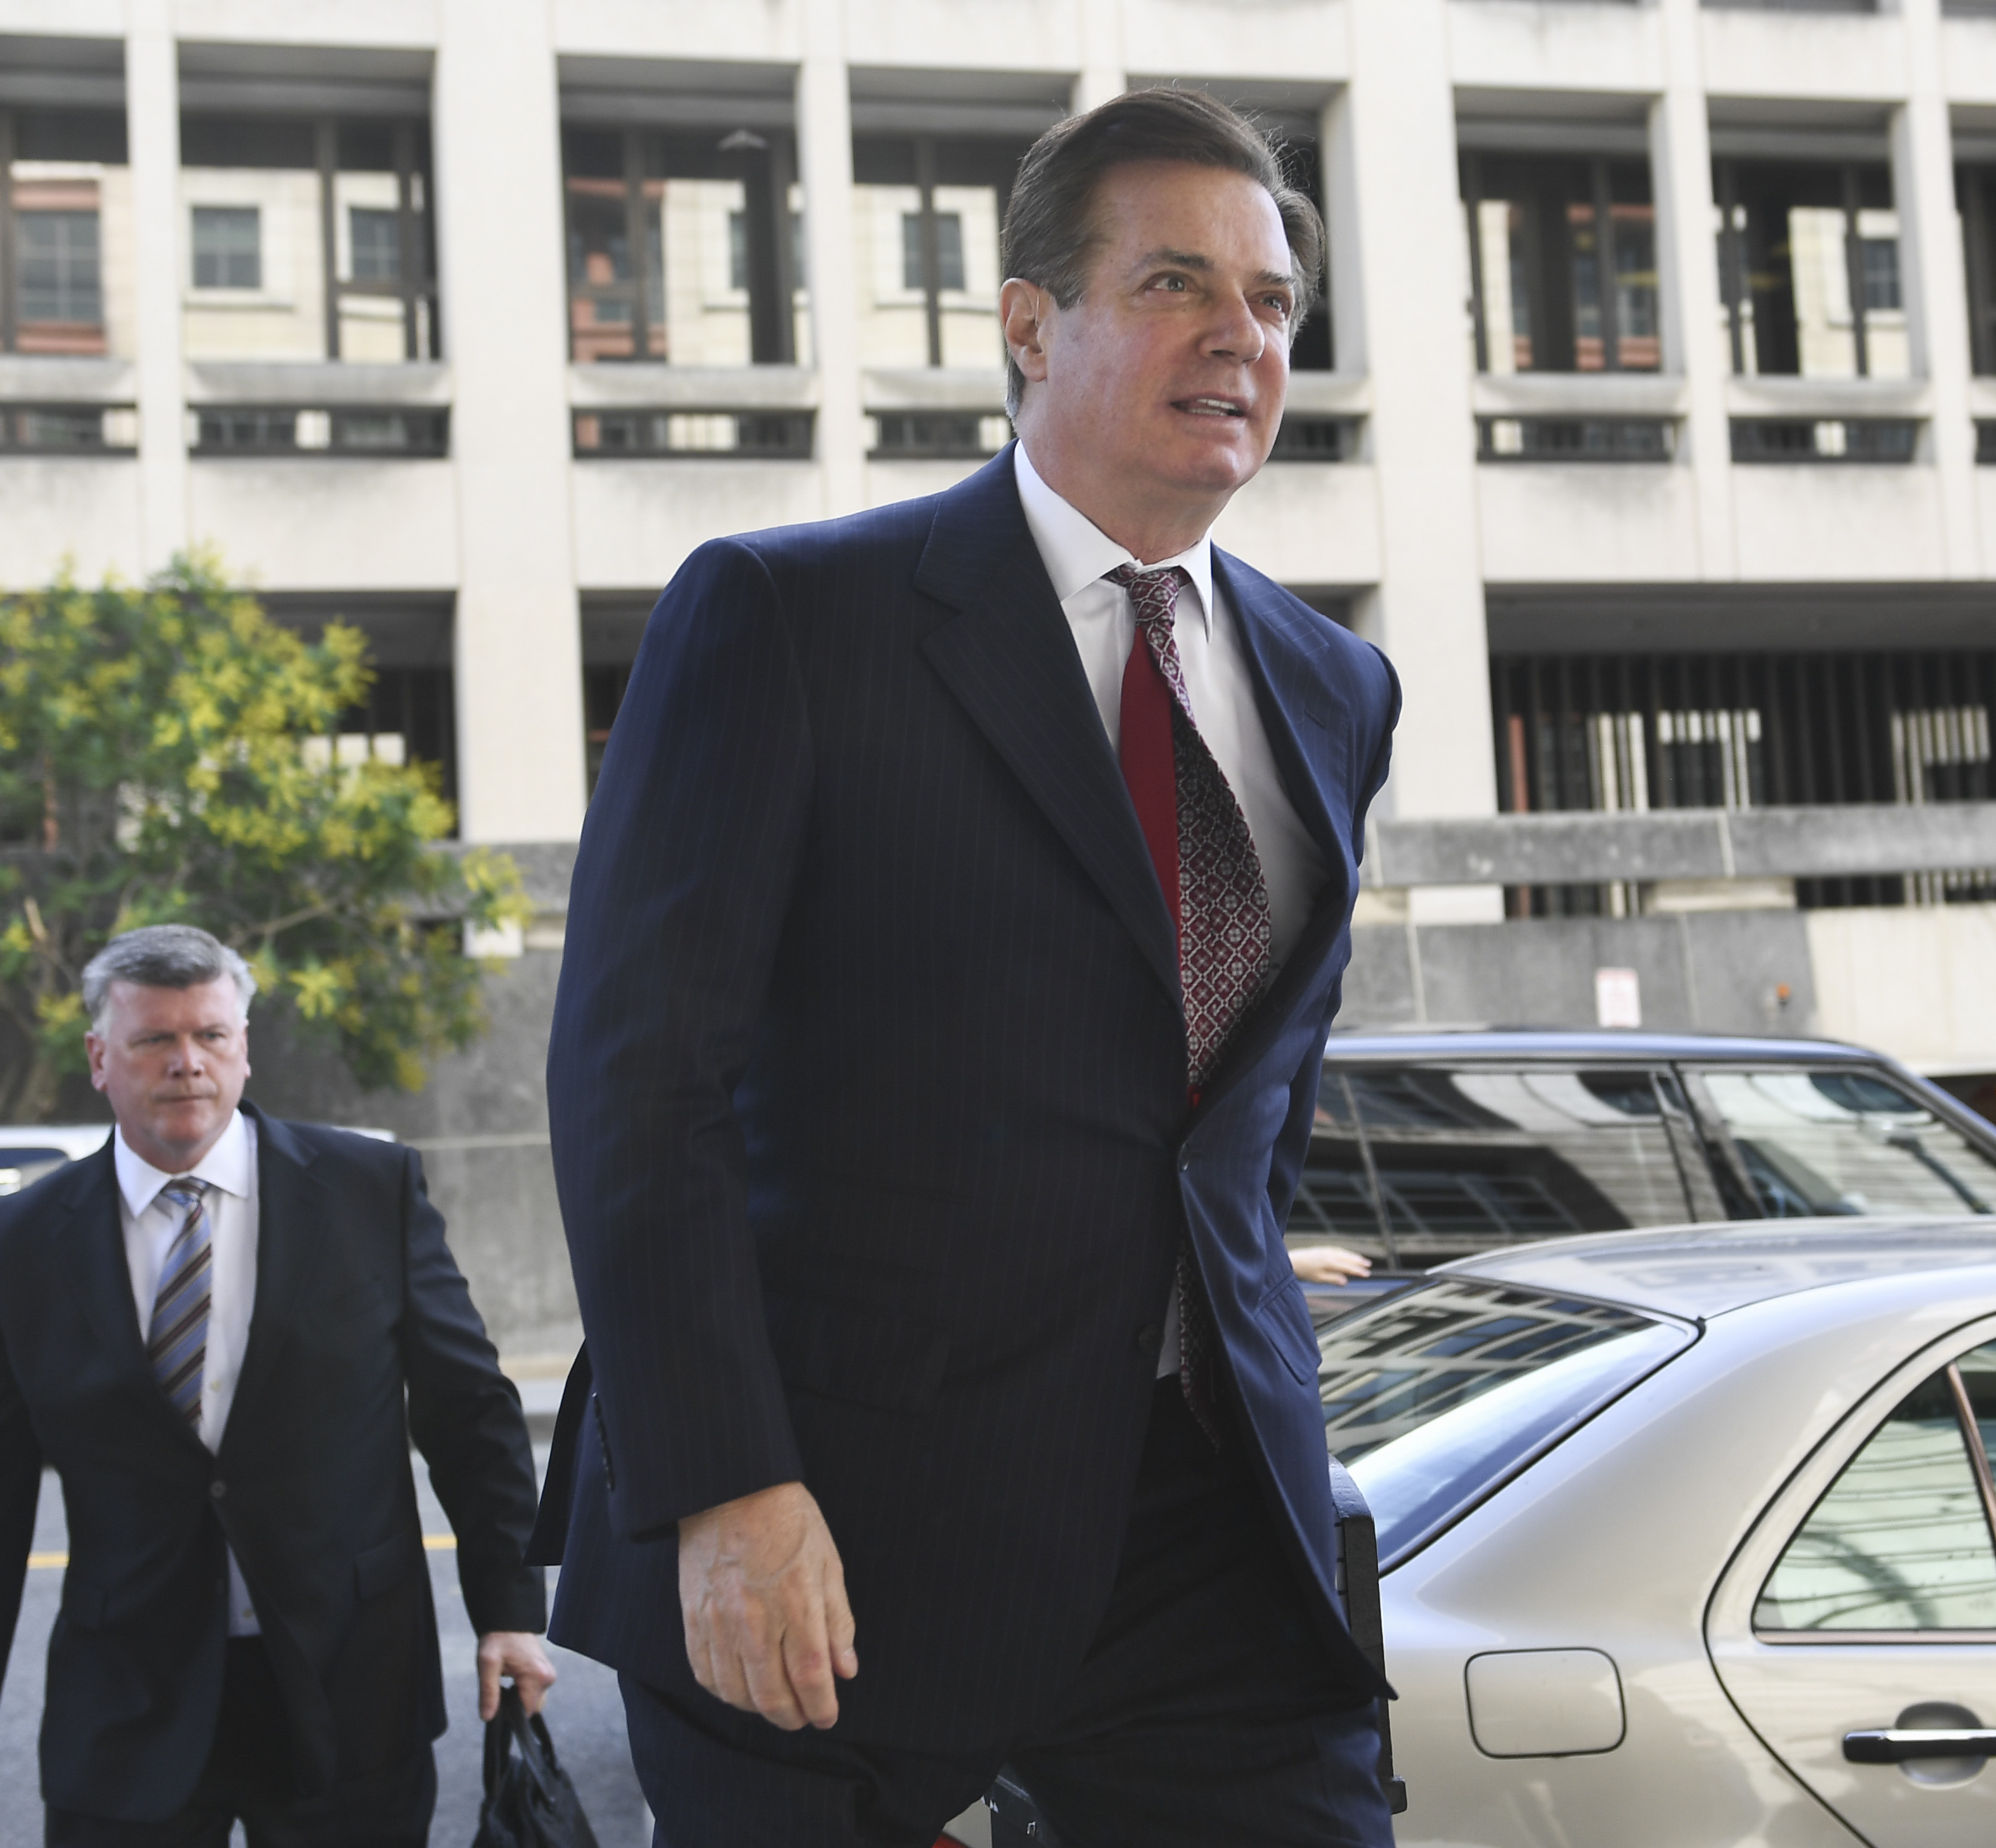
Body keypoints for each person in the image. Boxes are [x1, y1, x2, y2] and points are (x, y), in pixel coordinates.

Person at [536, 86, 1401, 1847]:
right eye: (1176, 284)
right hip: (836, 1537)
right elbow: (638, 1083)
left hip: (1205, 1525)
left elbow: (1245, 1103)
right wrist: (726, 1487)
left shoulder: (1334, 684)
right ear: (1028, 324)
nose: (1239, 335)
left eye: (1271, 300)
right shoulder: (788, 620)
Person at [0, 924, 554, 1848]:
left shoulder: (370, 1190)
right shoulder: (21, 1245)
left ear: (245, 1049)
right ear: (99, 1059)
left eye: (211, 1035)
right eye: (154, 1038)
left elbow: (470, 1410)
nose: (186, 1062)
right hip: (126, 1711)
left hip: (347, 1694)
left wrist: (509, 1611)